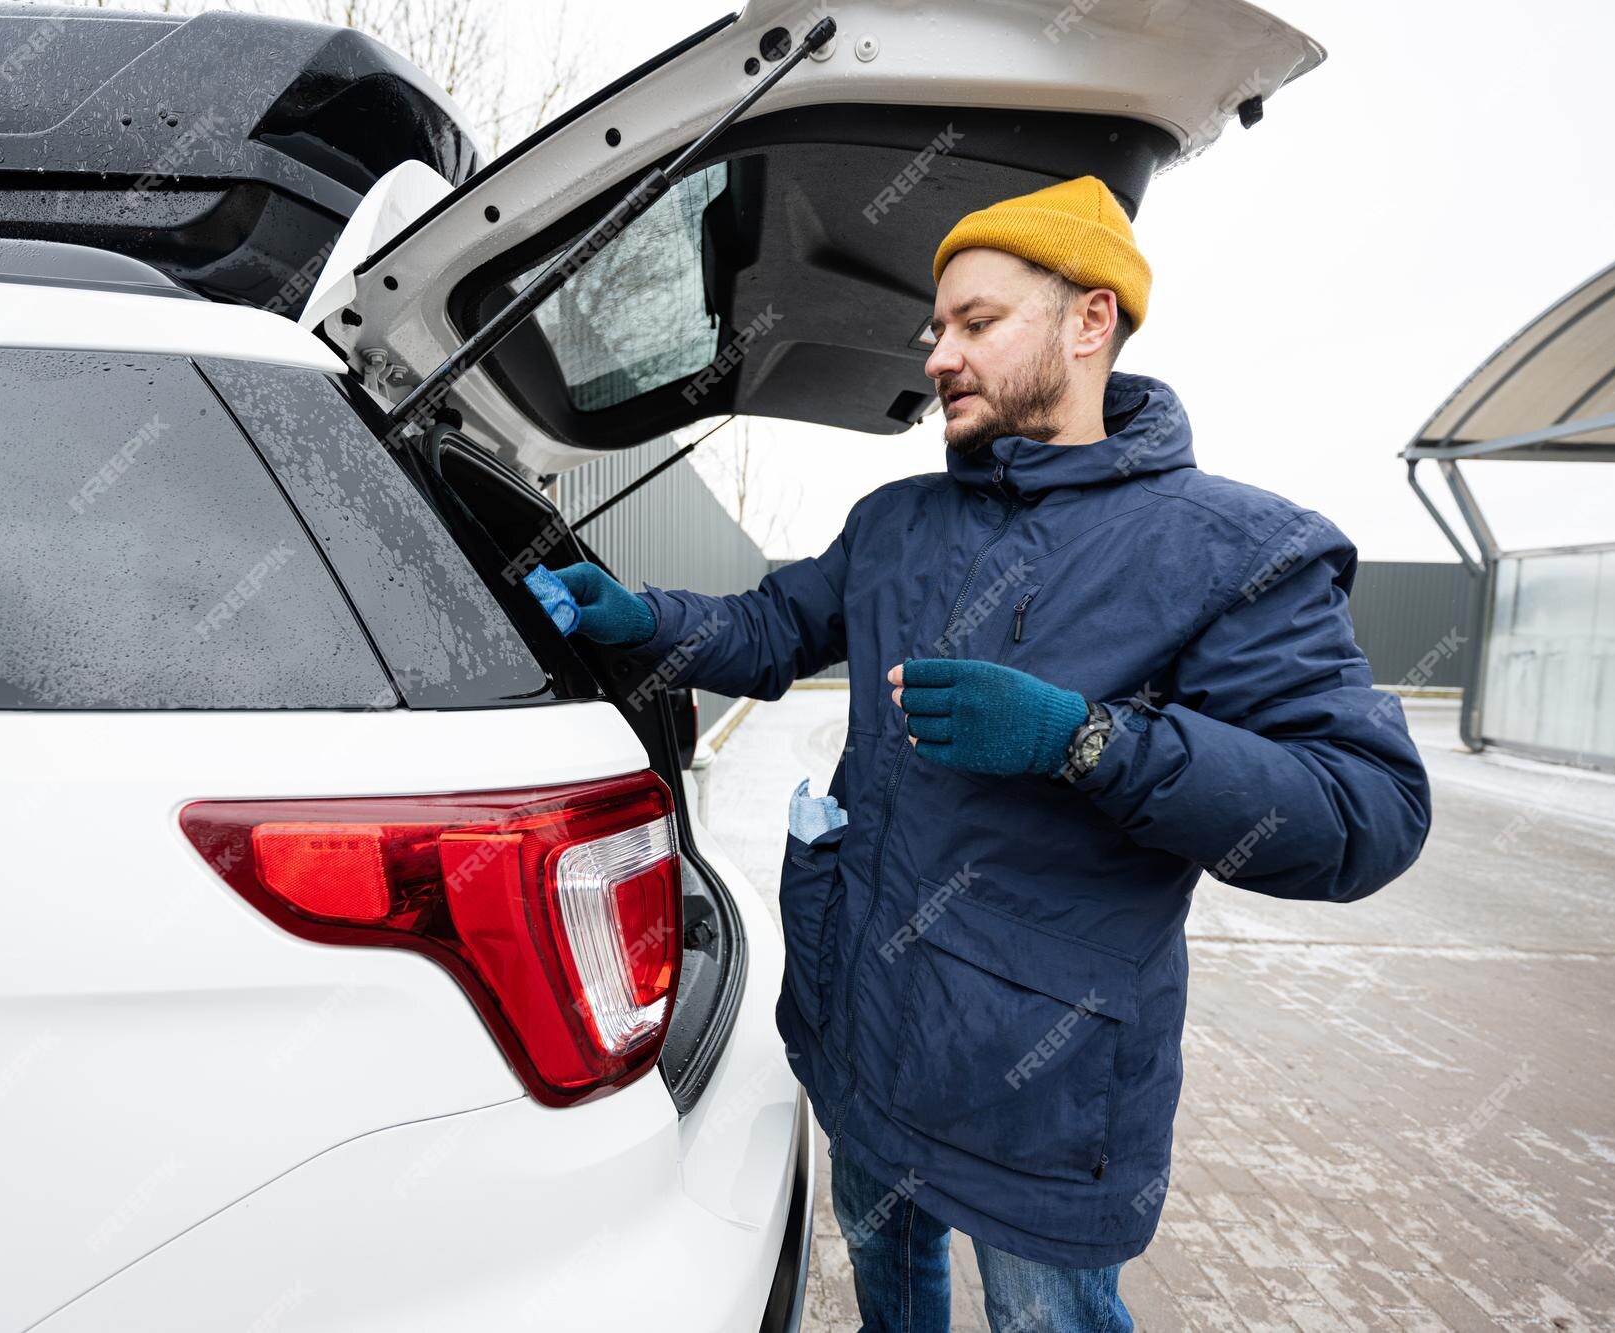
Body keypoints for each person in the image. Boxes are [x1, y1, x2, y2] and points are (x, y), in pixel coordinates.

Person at [545, 175, 1431, 1332]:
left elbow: (1360, 811)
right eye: (935, 328)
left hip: (1037, 1086)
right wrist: (642, 619)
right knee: (889, 1298)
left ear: (1087, 321)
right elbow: (771, 631)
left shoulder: (1232, 550)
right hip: (863, 1033)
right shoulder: (896, 523)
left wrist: (1084, 741)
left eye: (974, 323)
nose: (938, 355)